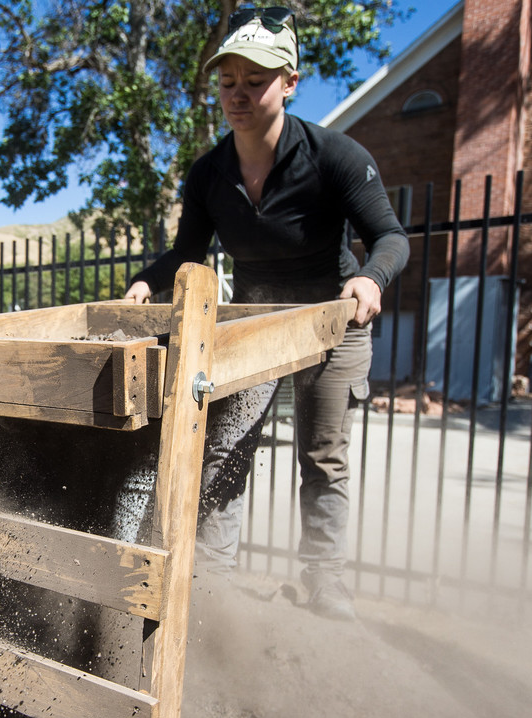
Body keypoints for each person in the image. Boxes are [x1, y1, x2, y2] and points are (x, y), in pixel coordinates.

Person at [122, 8, 409, 620]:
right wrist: (148, 282)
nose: (239, 95)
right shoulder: (209, 173)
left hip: (334, 321)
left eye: (255, 81)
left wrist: (369, 276)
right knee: (226, 448)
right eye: (228, 82)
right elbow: (186, 253)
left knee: (322, 454)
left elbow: (390, 235)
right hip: (255, 325)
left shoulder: (335, 155)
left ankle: (325, 584)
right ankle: (215, 583)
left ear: (290, 82)